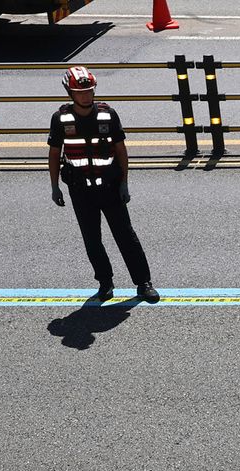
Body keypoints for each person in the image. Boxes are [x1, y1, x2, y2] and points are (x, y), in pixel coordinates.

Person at [47, 65, 158, 303]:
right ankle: (105, 283)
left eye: (89, 90)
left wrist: (125, 183)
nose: (86, 95)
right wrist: (54, 186)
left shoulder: (108, 114)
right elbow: (55, 154)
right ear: (70, 92)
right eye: (81, 91)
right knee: (92, 238)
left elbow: (121, 150)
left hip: (109, 186)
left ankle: (143, 283)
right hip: (80, 189)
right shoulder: (60, 119)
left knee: (125, 235)